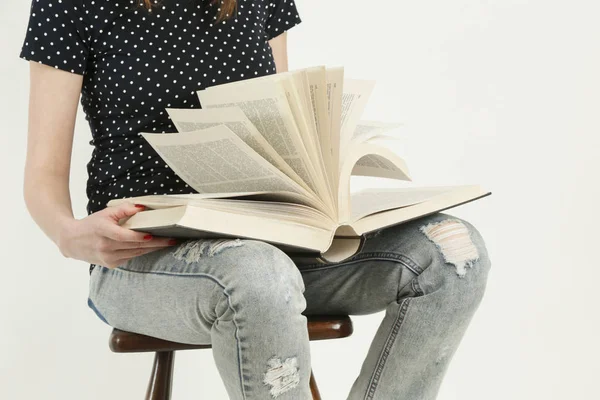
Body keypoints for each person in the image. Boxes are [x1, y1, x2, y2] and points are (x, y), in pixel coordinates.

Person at [19, 1, 492, 399]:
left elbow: (279, 140)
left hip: (275, 247)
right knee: (258, 274)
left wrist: (319, 191)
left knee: (452, 251)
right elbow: (42, 173)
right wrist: (70, 235)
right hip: (142, 257)